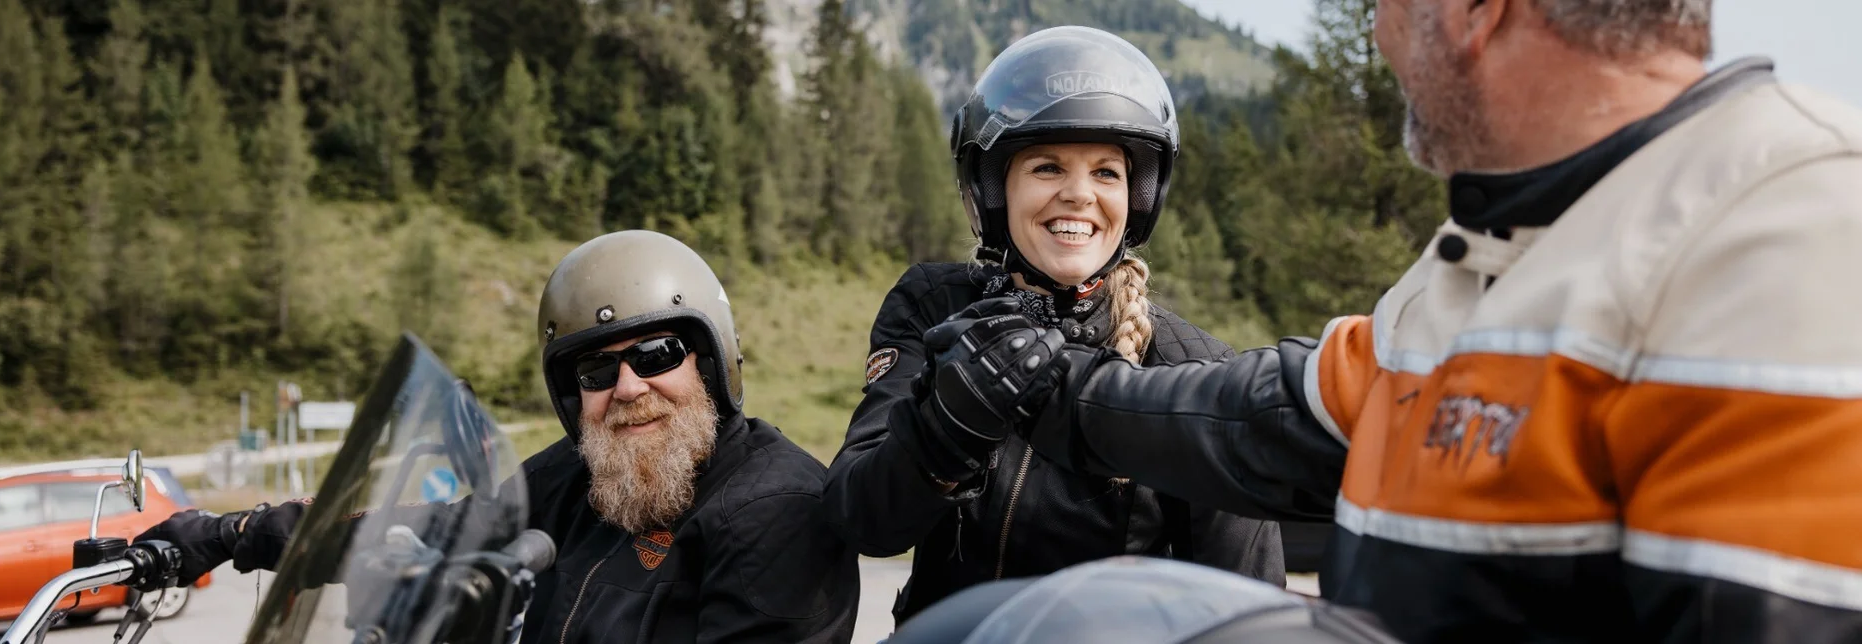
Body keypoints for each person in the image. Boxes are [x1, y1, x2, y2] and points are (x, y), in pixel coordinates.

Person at [918, 0, 1862, 641]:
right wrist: (1052, 389)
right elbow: (1277, 416)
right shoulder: (1510, 238)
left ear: (1472, 11)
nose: (1376, 32)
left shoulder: (1785, 233)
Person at [138, 230, 862, 643]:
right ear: (567, 392)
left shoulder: (777, 509)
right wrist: (232, 533)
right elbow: (421, 527)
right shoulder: (578, 481)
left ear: (711, 361)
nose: (629, 388)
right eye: (595, 369)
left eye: (657, 355)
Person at [822, 25, 1285, 628]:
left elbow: (1245, 614)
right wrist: (939, 437)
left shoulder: (1194, 371)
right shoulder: (934, 306)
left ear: (1137, 197)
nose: (1078, 195)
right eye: (1046, 167)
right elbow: (859, 521)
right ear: (994, 189)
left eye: (1106, 173)